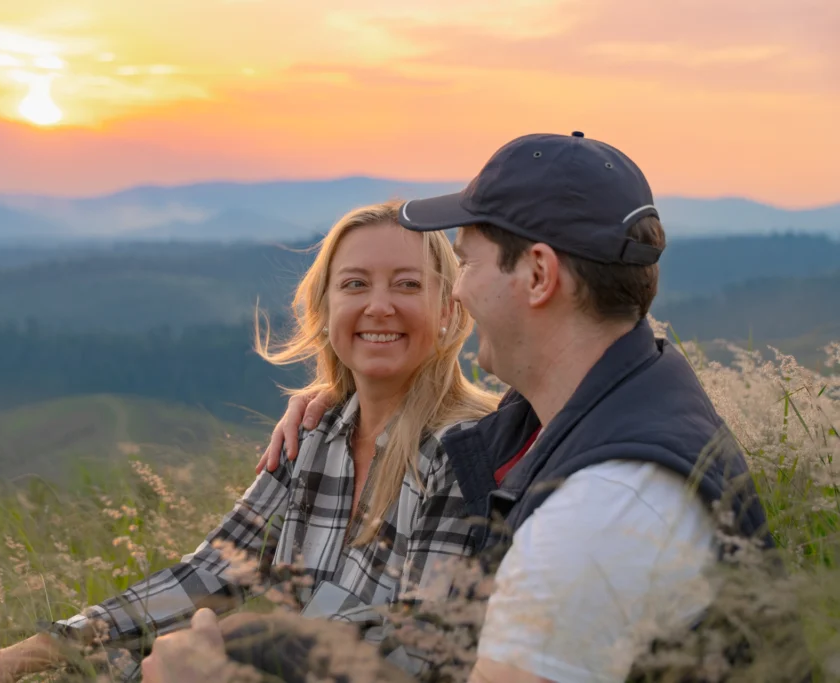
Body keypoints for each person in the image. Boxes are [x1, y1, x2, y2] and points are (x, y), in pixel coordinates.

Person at [143, 132, 784, 683]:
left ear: (538, 275)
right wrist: (345, 390)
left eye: (468, 262)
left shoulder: (595, 516)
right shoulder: (614, 400)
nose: (460, 290)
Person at [0, 200, 501, 683]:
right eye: (355, 285)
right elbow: (209, 576)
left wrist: (227, 652)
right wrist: (16, 659)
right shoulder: (316, 436)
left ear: (450, 311)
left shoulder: (460, 451)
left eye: (407, 284)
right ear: (325, 312)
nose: (379, 305)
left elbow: (418, 656)